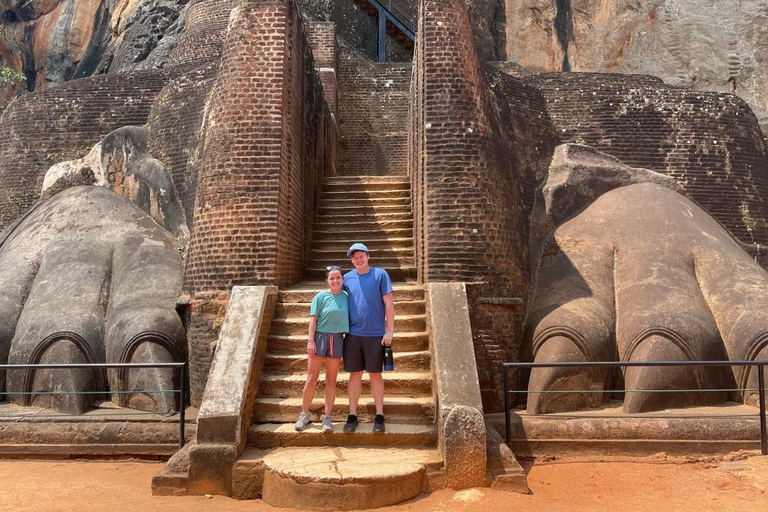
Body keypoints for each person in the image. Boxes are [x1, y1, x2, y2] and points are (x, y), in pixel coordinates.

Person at [342, 243, 394, 433]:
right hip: (353, 334)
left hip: (375, 334)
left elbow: (389, 304)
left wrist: (390, 331)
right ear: (352, 260)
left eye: (361, 256)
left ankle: (379, 415)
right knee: (354, 374)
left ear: (368, 256)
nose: (358, 259)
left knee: (375, 374)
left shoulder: (381, 275)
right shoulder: (347, 278)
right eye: (355, 257)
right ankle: (352, 414)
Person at [294, 266, 349, 432]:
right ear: (327, 280)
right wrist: (310, 341)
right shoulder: (320, 297)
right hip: (319, 338)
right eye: (332, 278)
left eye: (338, 277)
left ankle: (327, 416)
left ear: (342, 279)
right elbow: (313, 320)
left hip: (337, 338)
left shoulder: (347, 297)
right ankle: (304, 414)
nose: (335, 281)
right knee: (312, 378)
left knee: (331, 380)